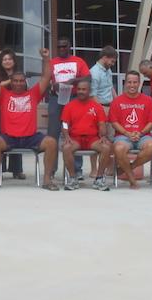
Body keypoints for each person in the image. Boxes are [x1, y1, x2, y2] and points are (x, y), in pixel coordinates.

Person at [0, 47, 59, 191]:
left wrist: (46, 59)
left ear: (25, 82)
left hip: (30, 137)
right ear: (11, 82)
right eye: (15, 81)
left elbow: (45, 77)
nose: (18, 83)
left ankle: (47, 180)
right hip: (9, 137)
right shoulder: (3, 95)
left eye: (21, 81)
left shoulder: (33, 94)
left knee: (51, 142)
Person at [47, 37, 90, 178]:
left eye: (64, 46)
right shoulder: (52, 62)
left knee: (74, 133)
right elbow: (44, 80)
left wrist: (73, 81)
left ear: (69, 47)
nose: (61, 49)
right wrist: (53, 86)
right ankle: (51, 170)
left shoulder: (78, 61)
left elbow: (88, 78)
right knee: (52, 134)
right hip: (56, 99)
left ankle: (76, 170)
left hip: (74, 98)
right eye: (59, 47)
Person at [109, 71, 152, 189]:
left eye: (135, 82)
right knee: (119, 148)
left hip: (143, 135)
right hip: (123, 136)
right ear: (125, 83)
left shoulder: (147, 100)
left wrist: (140, 133)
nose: (132, 85)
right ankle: (131, 179)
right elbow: (114, 122)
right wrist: (127, 133)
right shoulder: (117, 101)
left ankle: (128, 168)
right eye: (129, 82)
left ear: (139, 83)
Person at [60, 79, 111, 191]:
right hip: (75, 138)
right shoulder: (69, 106)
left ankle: (99, 179)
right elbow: (64, 123)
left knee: (106, 147)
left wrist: (103, 136)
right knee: (66, 148)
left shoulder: (97, 106)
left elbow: (102, 124)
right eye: (79, 89)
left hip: (92, 139)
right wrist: (66, 136)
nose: (81, 91)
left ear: (89, 91)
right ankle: (73, 179)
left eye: (84, 89)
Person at [0, 48, 24, 179]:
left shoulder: (20, 74)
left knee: (16, 138)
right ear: (1, 62)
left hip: (16, 112)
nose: (7, 61)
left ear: (14, 61)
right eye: (4, 59)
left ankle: (16, 170)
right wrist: (12, 79)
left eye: (9, 59)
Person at [87, 45, 117, 177]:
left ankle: (108, 167)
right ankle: (94, 170)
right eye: (112, 61)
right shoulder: (94, 73)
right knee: (97, 139)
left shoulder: (107, 70)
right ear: (105, 58)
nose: (113, 64)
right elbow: (92, 96)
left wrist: (117, 104)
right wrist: (100, 113)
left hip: (110, 107)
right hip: (99, 107)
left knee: (110, 139)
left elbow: (111, 88)